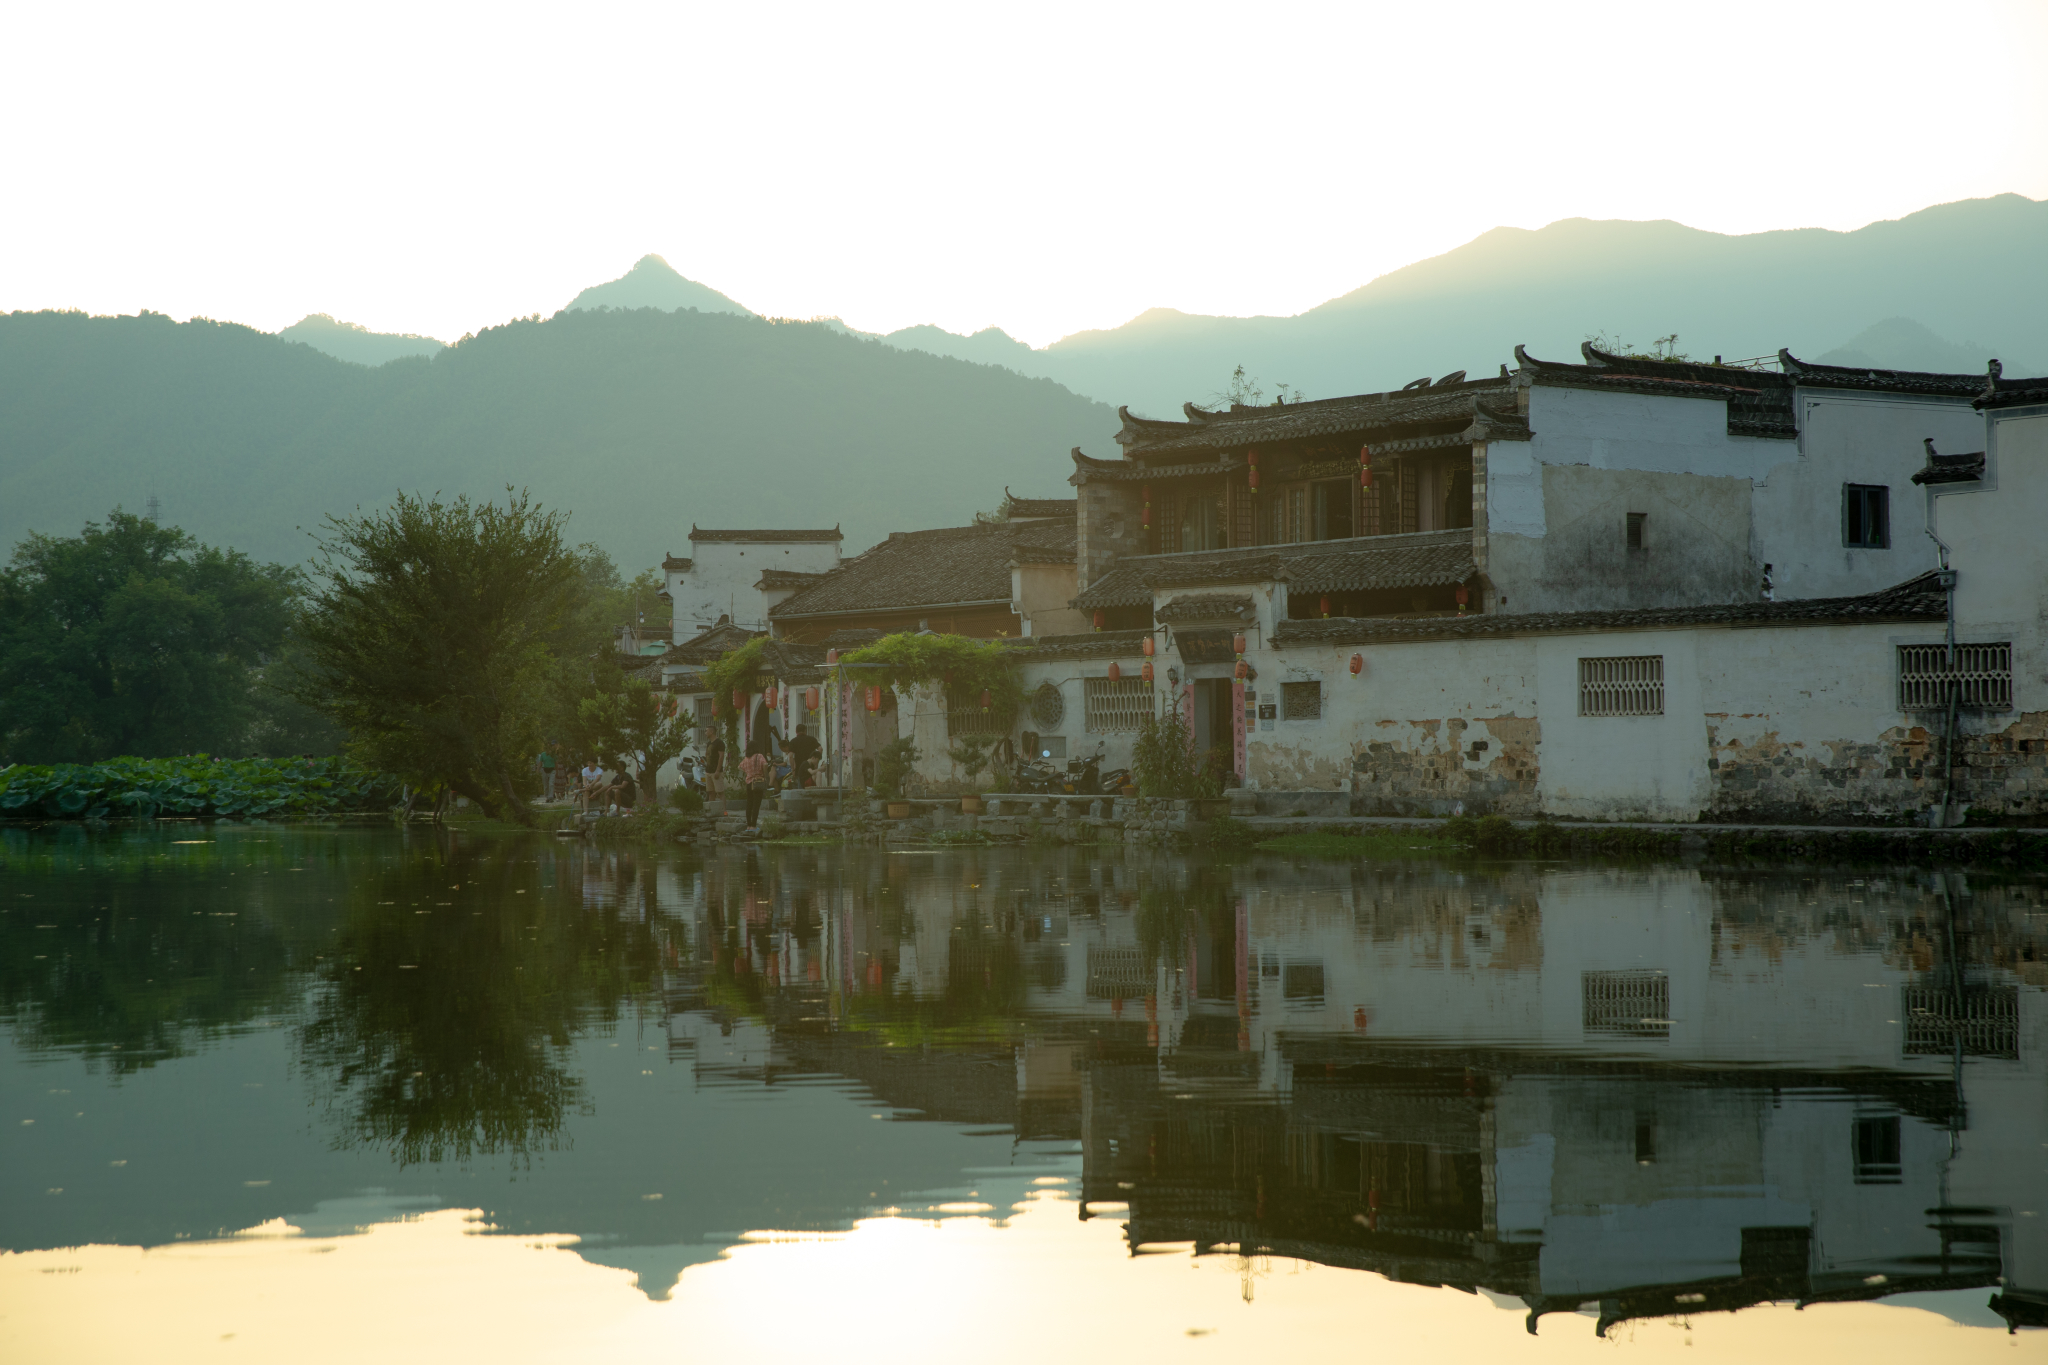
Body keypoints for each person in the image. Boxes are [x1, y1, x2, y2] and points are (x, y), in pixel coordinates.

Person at [738, 742, 770, 834]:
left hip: (748, 782)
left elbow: (739, 767)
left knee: (749, 804)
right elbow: (765, 765)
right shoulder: (759, 756)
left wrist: (748, 773)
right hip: (758, 782)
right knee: (756, 804)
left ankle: (748, 825)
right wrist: (764, 775)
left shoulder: (746, 758)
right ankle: (754, 825)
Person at [787, 724, 822, 789]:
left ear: (796, 731)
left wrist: (793, 769)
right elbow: (820, 748)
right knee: (813, 784)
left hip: (799, 768)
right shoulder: (812, 739)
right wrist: (816, 762)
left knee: (801, 787)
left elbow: (791, 756)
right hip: (811, 767)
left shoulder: (793, 741)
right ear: (805, 731)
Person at [703, 728, 727, 802]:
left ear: (712, 731)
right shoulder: (709, 743)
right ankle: (712, 810)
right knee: (710, 792)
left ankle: (724, 811)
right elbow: (707, 754)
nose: (705, 733)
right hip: (708, 771)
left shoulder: (719, 743)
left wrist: (717, 770)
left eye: (706, 731)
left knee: (720, 792)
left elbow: (721, 757)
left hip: (716, 771)